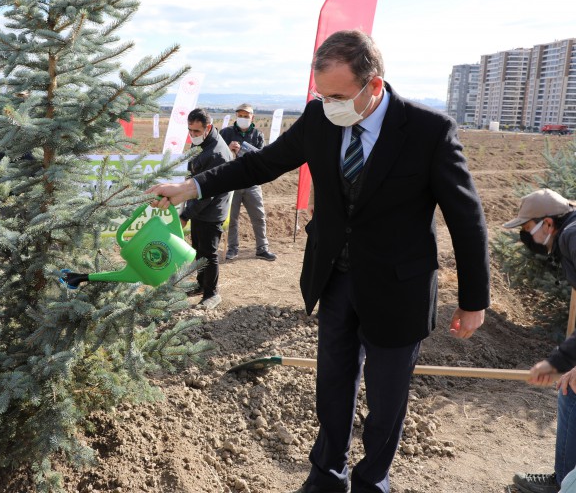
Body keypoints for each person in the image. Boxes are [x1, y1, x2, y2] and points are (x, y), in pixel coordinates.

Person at [148, 30, 490, 493]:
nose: (329, 105)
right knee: (332, 385)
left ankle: (373, 480)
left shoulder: (428, 130)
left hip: (398, 288)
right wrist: (191, 187)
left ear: (373, 86)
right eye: (321, 95)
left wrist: (473, 300)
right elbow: (260, 165)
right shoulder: (320, 117)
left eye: (338, 96)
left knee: (387, 399)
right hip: (335, 278)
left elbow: (466, 215)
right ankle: (328, 475)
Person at [504, 189, 576, 493]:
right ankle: (564, 481)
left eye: (526, 229)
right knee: (569, 389)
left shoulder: (572, 236)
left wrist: (556, 361)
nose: (526, 238)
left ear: (547, 223)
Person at [180, 108, 232, 310]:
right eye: (189, 130)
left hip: (212, 210)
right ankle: (201, 285)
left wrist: (186, 215)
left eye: (196, 131)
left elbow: (208, 192)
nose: (192, 135)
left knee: (209, 253)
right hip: (198, 208)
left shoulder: (217, 153)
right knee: (197, 249)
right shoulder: (203, 144)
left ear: (207, 128)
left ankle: (212, 294)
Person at [220, 103, 276, 262]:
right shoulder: (226, 133)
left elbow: (260, 158)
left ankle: (262, 248)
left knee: (259, 216)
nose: (242, 118)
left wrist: (242, 151)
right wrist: (228, 149)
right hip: (232, 182)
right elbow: (218, 156)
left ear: (252, 118)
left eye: (246, 116)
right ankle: (232, 248)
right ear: (236, 117)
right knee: (232, 218)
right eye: (240, 115)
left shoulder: (257, 135)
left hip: (252, 182)